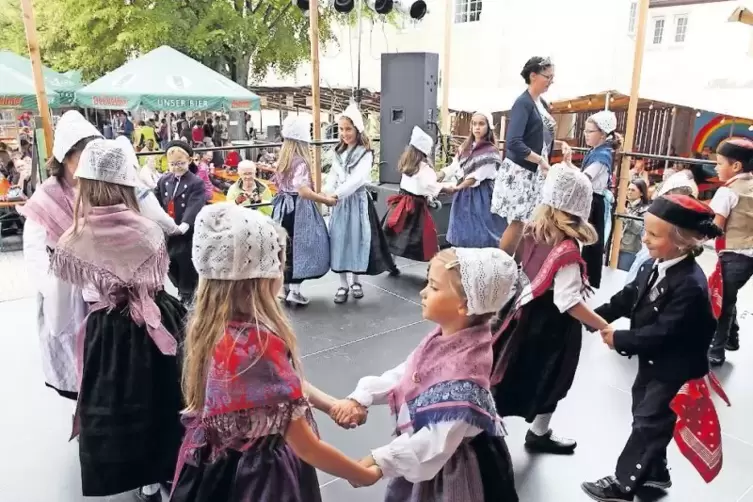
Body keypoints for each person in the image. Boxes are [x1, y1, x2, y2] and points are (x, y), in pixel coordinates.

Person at [170, 204, 382, 502]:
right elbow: (307, 447)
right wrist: (363, 475)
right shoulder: (256, 346)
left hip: (216, 464)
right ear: (262, 277)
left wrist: (331, 405)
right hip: (261, 478)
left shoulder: (208, 325)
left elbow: (280, 384)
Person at [50, 139, 185, 500]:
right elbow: (162, 284)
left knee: (121, 406)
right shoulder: (150, 229)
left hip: (108, 334)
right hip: (158, 322)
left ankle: (143, 476)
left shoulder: (72, 240)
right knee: (165, 397)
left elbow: (60, 316)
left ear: (84, 184)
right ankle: (171, 467)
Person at [331, 247, 520, 501]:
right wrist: (363, 396)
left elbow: (435, 443)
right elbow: (409, 372)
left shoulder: (465, 372)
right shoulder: (450, 337)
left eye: (433, 286)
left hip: (451, 468)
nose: (423, 292)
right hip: (426, 457)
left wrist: (379, 461)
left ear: (464, 305)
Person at [582, 194, 724, 502]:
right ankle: (656, 473)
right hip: (653, 361)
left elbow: (664, 332)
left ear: (683, 241)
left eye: (653, 235)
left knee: (650, 420)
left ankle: (624, 484)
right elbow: (629, 296)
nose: (644, 239)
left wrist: (619, 338)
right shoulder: (653, 266)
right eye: (645, 231)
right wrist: (596, 316)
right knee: (644, 412)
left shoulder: (690, 283)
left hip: (676, 367)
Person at [491, 164, 608, 454]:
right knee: (552, 377)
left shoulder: (532, 231)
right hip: (551, 329)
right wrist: (602, 325)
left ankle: (485, 429)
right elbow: (567, 301)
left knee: (507, 372)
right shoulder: (567, 250)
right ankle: (536, 432)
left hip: (521, 315)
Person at [18, 111, 101, 400]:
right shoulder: (46, 197)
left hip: (103, 286)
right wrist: (55, 290)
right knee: (71, 351)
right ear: (66, 157)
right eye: (83, 156)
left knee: (104, 356)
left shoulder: (101, 188)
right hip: (64, 288)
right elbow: (34, 251)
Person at [493, 56, 572, 256]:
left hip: (533, 171)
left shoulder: (540, 103)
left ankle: (514, 270)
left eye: (552, 77)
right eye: (548, 76)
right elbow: (513, 142)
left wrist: (561, 145)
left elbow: (539, 136)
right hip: (521, 172)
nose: (551, 81)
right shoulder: (523, 103)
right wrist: (540, 160)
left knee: (524, 224)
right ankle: (500, 270)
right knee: (518, 222)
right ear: (533, 75)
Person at [322, 103, 398, 304]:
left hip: (356, 202)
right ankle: (342, 283)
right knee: (338, 239)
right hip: (340, 204)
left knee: (356, 239)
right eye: (341, 129)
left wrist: (336, 194)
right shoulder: (338, 152)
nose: (344, 133)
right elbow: (332, 175)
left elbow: (357, 179)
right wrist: (327, 191)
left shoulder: (365, 153)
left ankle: (356, 280)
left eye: (348, 129)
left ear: (357, 129)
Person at [272, 115, 331, 305]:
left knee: (285, 247)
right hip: (299, 209)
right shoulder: (301, 163)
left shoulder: (283, 160)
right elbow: (303, 191)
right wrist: (325, 199)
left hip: (282, 208)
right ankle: (295, 291)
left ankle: (286, 288)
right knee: (303, 246)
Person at [707, 138, 753, 366]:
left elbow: (715, 226)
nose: (716, 168)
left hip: (733, 254)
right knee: (729, 295)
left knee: (721, 301)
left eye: (719, 163)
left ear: (736, 166)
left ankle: (716, 350)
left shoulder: (727, 192)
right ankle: (732, 338)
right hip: (748, 258)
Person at [439, 111, 507, 248]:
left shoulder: (491, 151)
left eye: (481, 124)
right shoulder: (465, 147)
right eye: (474, 124)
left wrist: (459, 187)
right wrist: (440, 174)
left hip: (482, 195)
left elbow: (477, 176)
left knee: (483, 229)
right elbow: (454, 166)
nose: (477, 127)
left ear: (488, 127)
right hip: (464, 194)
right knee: (463, 229)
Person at [383, 126, 448, 262]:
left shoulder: (408, 165)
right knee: (426, 237)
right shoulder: (425, 169)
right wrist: (445, 187)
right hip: (416, 207)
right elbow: (431, 187)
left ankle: (391, 260)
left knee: (396, 232)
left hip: (401, 203)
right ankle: (431, 266)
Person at [154, 140, 206, 305]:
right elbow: (156, 199)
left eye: (180, 163)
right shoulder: (164, 180)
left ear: (190, 160)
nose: (176, 167)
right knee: (169, 263)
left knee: (185, 263)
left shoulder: (195, 182)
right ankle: (180, 288)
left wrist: (185, 224)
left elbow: (195, 204)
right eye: (173, 164)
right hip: (167, 229)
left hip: (185, 231)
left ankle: (187, 293)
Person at [579, 110, 622, 288]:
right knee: (589, 242)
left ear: (603, 134)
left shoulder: (602, 155)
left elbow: (585, 178)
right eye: (586, 131)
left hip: (595, 201)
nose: (586, 135)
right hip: (591, 199)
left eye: (590, 131)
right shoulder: (597, 151)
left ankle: (588, 279)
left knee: (592, 243)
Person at [617, 179, 650, 271]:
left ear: (641, 193)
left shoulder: (645, 210)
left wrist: (626, 214)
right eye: (628, 189)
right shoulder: (626, 205)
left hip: (630, 249)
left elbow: (638, 229)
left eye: (633, 190)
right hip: (617, 246)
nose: (629, 192)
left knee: (623, 276)